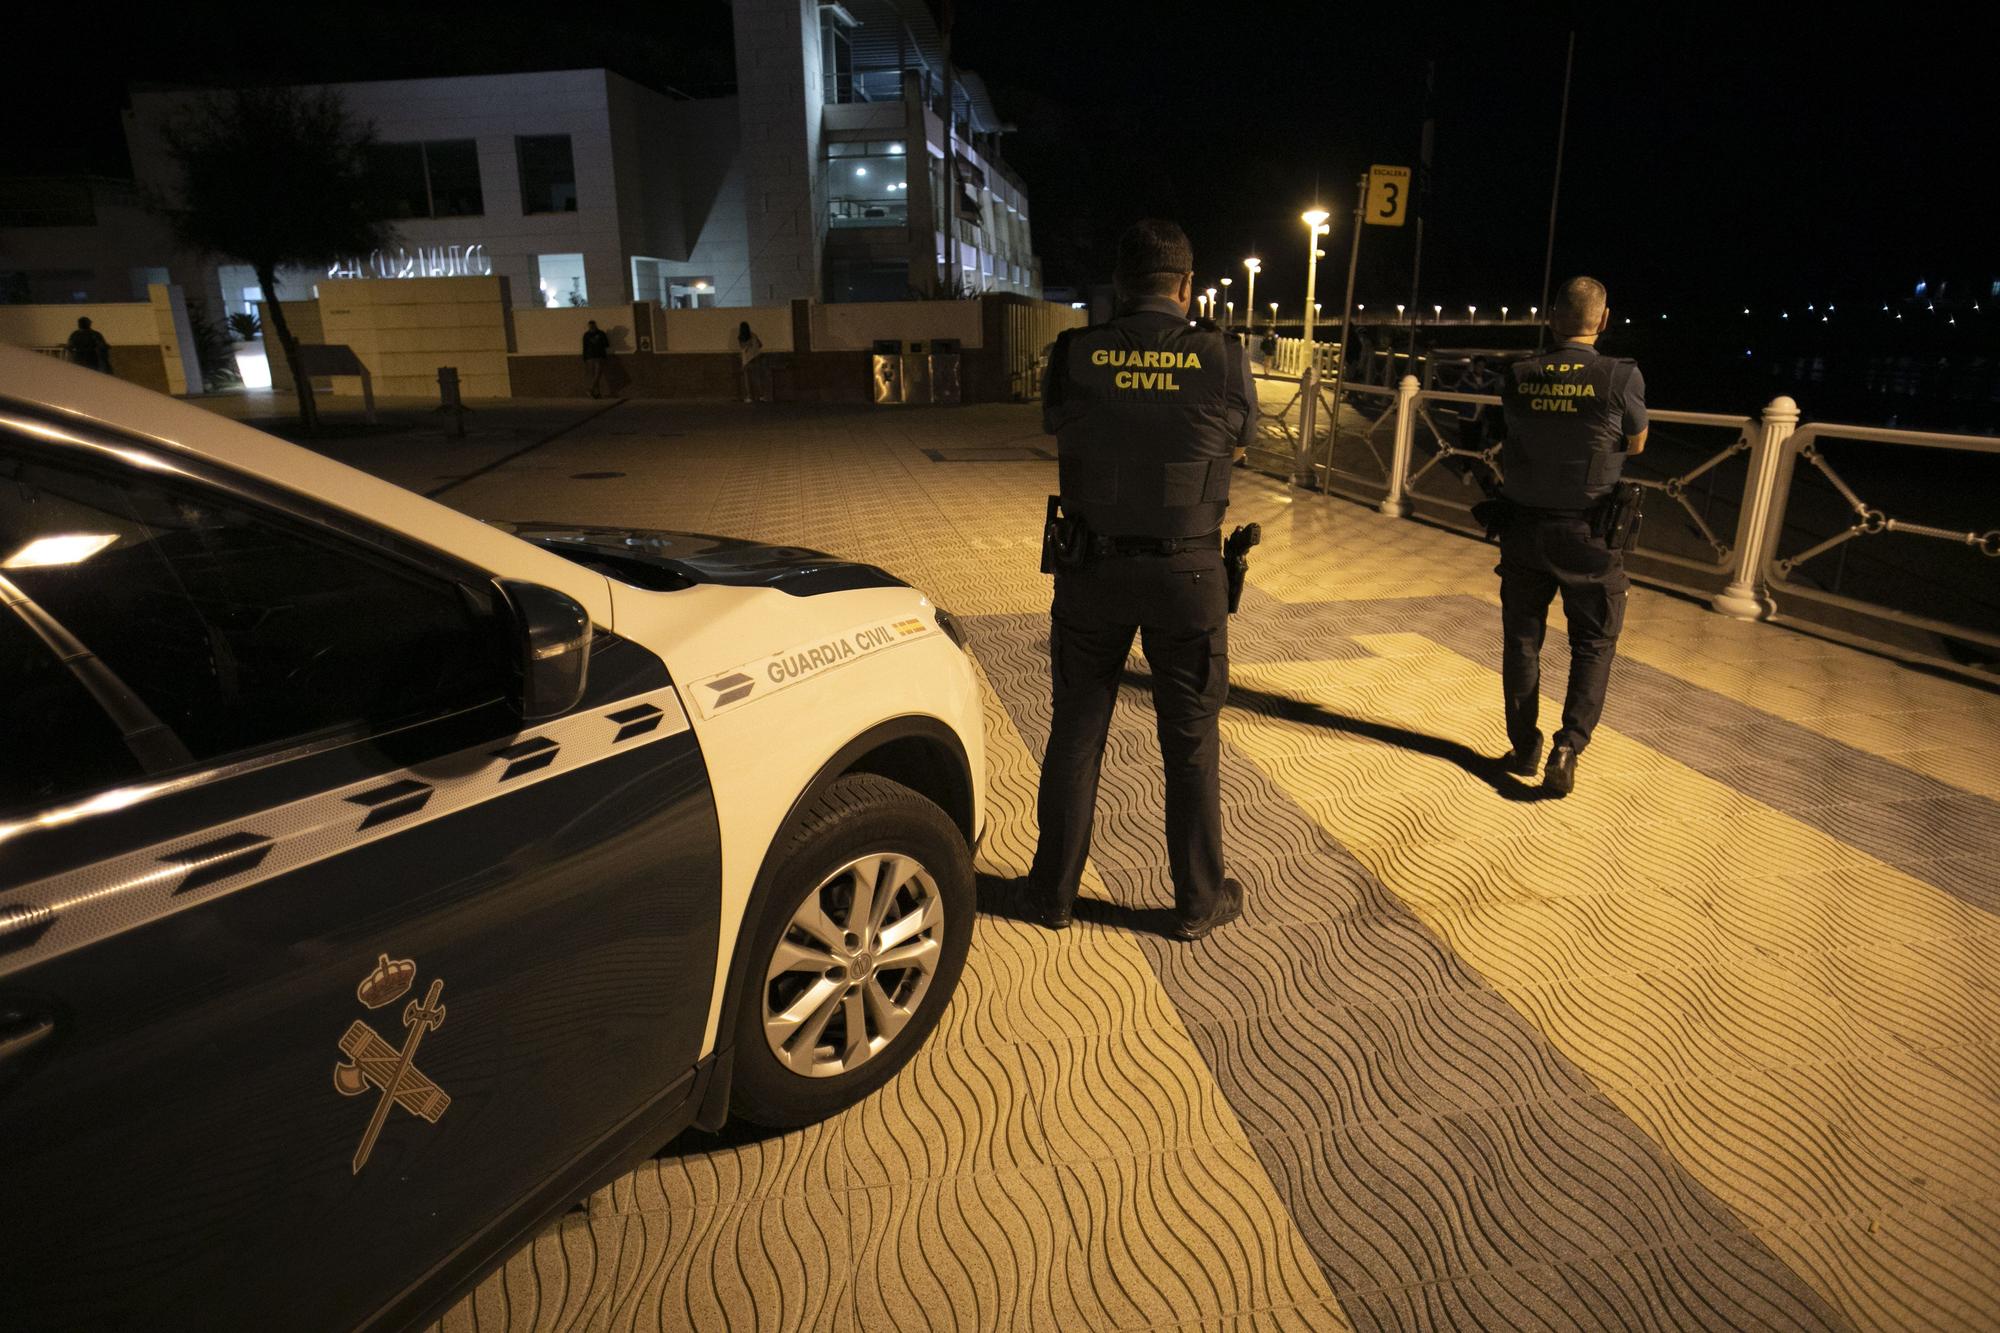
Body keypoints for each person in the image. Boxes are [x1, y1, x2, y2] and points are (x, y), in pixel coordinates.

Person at [1026, 219, 1256, 940]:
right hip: (1187, 573)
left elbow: (1058, 422)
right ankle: (1196, 901)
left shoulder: (1074, 353)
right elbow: (1239, 439)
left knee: (1076, 730)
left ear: (1120, 286)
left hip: (1090, 568)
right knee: (1188, 738)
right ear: (1187, 286)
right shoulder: (1223, 356)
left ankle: (1052, 895)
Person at [1493, 275, 1647, 796]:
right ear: (1603, 320)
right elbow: (1637, 442)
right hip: (1590, 533)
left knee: (1522, 639)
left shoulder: (1518, 374)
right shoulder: (1619, 376)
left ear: (1552, 318)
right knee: (1593, 642)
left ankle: (1523, 745)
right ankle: (1568, 746)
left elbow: (1514, 433)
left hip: (1523, 528)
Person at [581, 320, 611, 398]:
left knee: (596, 375)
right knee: (595, 375)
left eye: (591, 326)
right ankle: (596, 392)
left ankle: (593, 390)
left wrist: (585, 357)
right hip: (595, 356)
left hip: (594, 356)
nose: (591, 327)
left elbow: (606, 344)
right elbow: (585, 346)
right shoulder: (596, 334)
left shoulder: (591, 334)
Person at [736, 321, 764, 403]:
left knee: (747, 380)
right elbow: (760, 344)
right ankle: (761, 396)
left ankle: (749, 397)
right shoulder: (754, 335)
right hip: (756, 358)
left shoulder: (741, 337)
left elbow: (742, 347)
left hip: (747, 360)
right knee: (757, 378)